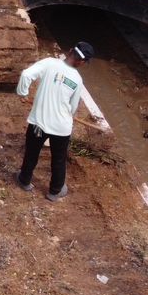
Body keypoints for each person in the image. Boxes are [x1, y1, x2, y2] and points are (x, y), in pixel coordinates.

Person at [15, 42, 94, 201]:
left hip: (38, 123)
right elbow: (72, 108)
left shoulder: (49, 63)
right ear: (82, 62)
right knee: (58, 160)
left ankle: (24, 181)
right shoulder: (77, 80)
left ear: (70, 50)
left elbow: (25, 75)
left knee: (32, 152)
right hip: (61, 128)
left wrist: (23, 93)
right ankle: (54, 191)